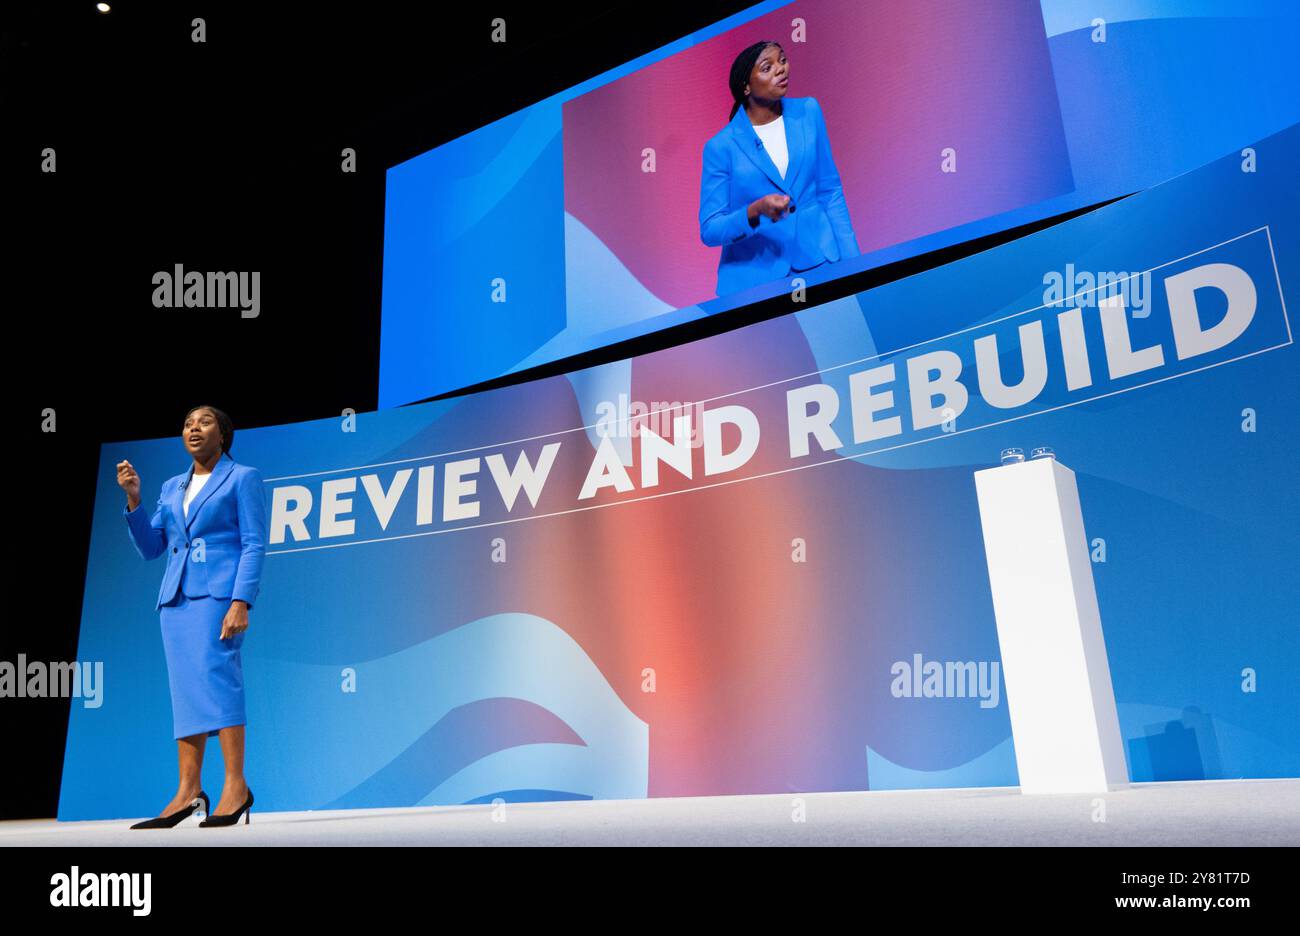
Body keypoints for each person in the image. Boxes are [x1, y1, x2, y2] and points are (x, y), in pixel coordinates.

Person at [117, 404, 266, 828]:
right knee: (186, 693)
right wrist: (134, 500)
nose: (193, 428)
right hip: (175, 600)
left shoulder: (242, 478)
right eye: (186, 423)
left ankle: (235, 786)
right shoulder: (170, 487)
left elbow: (254, 544)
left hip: (219, 595)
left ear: (223, 434)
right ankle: (187, 792)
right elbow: (152, 547)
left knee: (220, 682)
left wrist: (242, 601)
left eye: (203, 422)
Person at [699, 40, 860, 297]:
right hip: (757, 280)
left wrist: (854, 263)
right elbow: (710, 230)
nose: (780, 70)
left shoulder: (809, 111)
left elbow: (829, 190)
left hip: (819, 262)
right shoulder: (720, 147)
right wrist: (754, 211)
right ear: (746, 86)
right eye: (767, 67)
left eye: (782, 60)